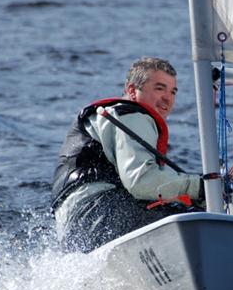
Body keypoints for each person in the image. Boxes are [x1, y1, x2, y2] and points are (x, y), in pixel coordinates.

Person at [51, 57, 204, 252]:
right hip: (100, 213)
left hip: (75, 230)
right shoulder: (131, 115)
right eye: (159, 88)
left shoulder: (111, 116)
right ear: (132, 91)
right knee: (195, 220)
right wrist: (199, 187)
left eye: (173, 91)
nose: (168, 98)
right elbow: (141, 181)